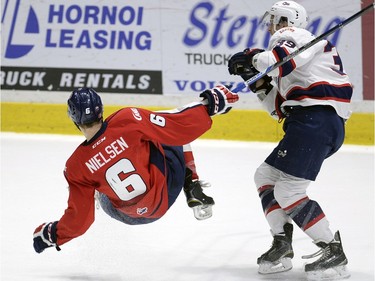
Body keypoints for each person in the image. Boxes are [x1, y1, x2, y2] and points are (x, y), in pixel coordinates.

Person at [33, 85, 238, 253]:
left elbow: (80, 220)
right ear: (100, 110)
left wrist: (53, 233)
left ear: (74, 119)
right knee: (164, 126)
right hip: (165, 193)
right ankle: (191, 182)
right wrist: (209, 104)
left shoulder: (75, 166)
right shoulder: (127, 119)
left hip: (126, 215)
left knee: (91, 185)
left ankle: (97, 193)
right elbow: (179, 128)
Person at [228, 1, 351, 279]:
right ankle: (281, 244)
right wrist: (255, 81)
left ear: (284, 19)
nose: (270, 26)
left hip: (315, 121)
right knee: (266, 176)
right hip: (309, 122)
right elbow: (277, 108)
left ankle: (332, 250)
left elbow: (277, 60)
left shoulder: (294, 36)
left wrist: (253, 59)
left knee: (288, 192)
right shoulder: (301, 60)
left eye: (273, 20)